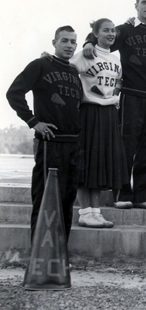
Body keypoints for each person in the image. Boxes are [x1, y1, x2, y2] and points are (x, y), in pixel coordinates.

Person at [83, 0, 146, 209]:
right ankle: (122, 193)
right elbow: (101, 35)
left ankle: (143, 194)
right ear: (136, 6)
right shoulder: (124, 30)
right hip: (130, 96)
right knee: (126, 145)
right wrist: (88, 42)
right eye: (144, 2)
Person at [6, 26, 82, 243]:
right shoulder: (40, 65)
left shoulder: (73, 71)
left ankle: (59, 256)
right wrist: (33, 122)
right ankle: (39, 255)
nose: (69, 45)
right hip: (50, 143)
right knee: (45, 199)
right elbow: (14, 92)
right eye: (64, 41)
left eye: (73, 42)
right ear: (54, 43)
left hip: (73, 144)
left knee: (67, 200)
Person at [70, 19, 128, 228]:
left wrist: (116, 93)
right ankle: (84, 212)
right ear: (95, 33)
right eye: (106, 30)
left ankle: (96, 212)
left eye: (113, 31)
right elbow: (67, 69)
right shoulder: (87, 54)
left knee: (99, 164)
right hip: (89, 112)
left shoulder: (115, 58)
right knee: (86, 163)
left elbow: (118, 80)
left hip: (109, 113)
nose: (111, 34)